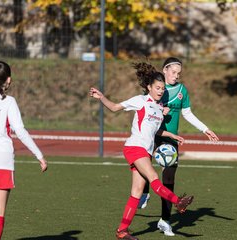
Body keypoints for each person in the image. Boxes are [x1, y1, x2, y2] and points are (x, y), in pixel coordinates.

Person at [89, 61, 194, 240]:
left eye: (162, 88)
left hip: (144, 151)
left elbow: (156, 130)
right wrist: (101, 97)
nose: (161, 91)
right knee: (153, 178)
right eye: (158, 87)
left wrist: (172, 135)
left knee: (136, 192)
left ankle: (122, 231)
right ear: (149, 87)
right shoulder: (140, 101)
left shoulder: (160, 109)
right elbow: (114, 107)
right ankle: (178, 202)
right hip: (134, 147)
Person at [139, 57, 219, 237]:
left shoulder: (182, 90)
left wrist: (204, 129)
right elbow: (145, 107)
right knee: (144, 167)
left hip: (171, 140)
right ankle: (144, 192)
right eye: (173, 72)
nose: (176, 76)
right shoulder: (156, 88)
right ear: (165, 70)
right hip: (151, 135)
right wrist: (160, 109)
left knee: (168, 179)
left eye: (179, 73)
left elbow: (187, 113)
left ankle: (165, 220)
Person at [0, 60, 48, 240]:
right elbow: (20, 131)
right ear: (8, 80)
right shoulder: (8, 101)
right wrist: (39, 155)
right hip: (1, 161)